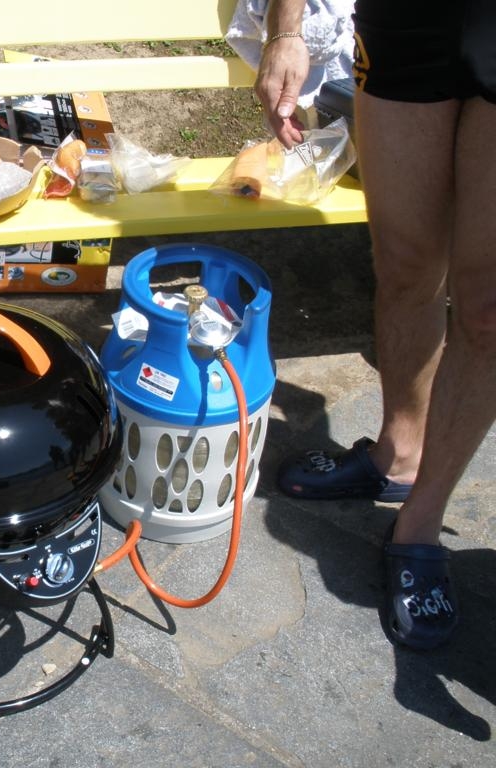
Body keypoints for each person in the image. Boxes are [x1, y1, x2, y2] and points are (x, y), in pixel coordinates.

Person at [254, 0, 496, 650]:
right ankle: (397, 456)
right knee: (405, 266)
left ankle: (421, 520)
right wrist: (286, 31)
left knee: (486, 310)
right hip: (410, 20)